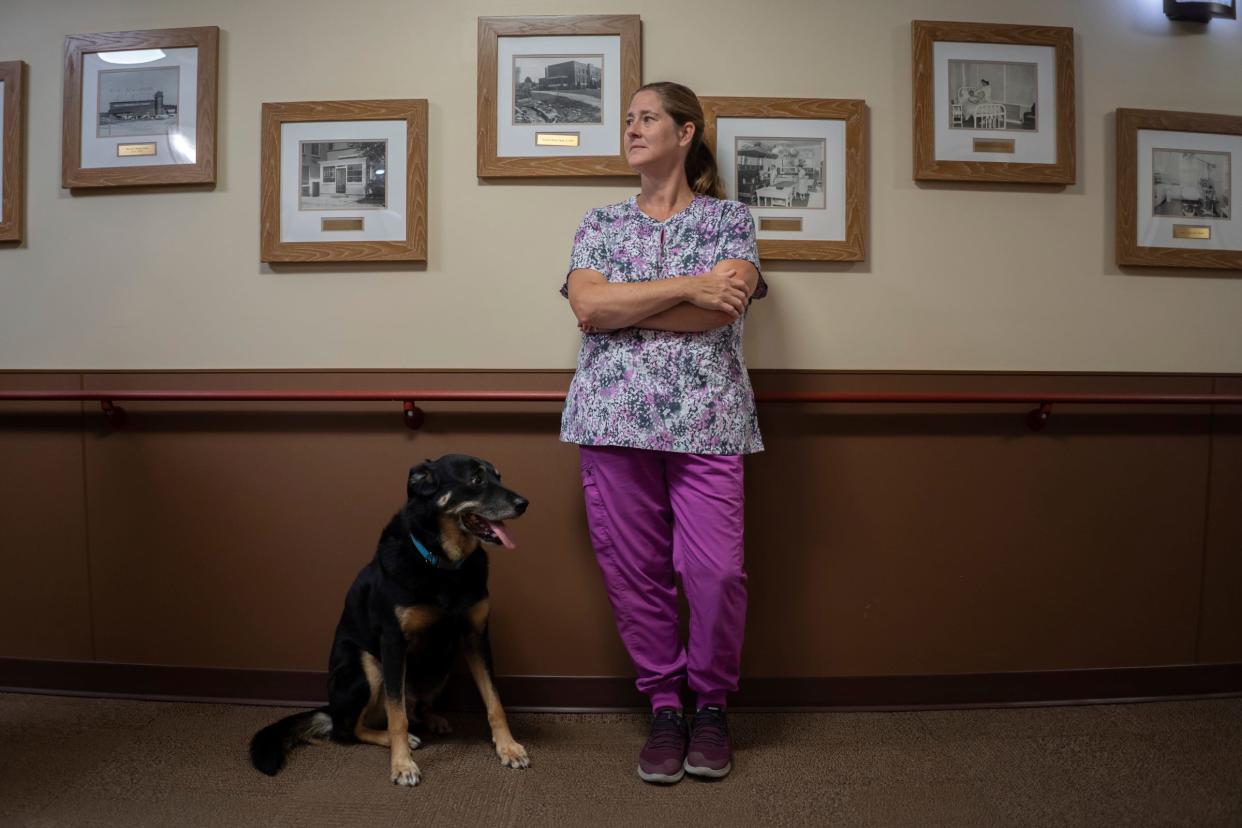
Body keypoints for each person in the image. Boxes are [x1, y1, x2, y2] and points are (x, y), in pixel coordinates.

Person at [560, 81, 767, 784]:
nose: (632, 127)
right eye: (627, 119)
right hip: (611, 418)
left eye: (647, 117)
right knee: (635, 572)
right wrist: (686, 287)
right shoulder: (599, 222)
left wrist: (628, 307)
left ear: (686, 133)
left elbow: (723, 311)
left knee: (716, 573)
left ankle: (711, 702)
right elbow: (586, 306)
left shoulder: (731, 220)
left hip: (709, 420)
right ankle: (666, 706)